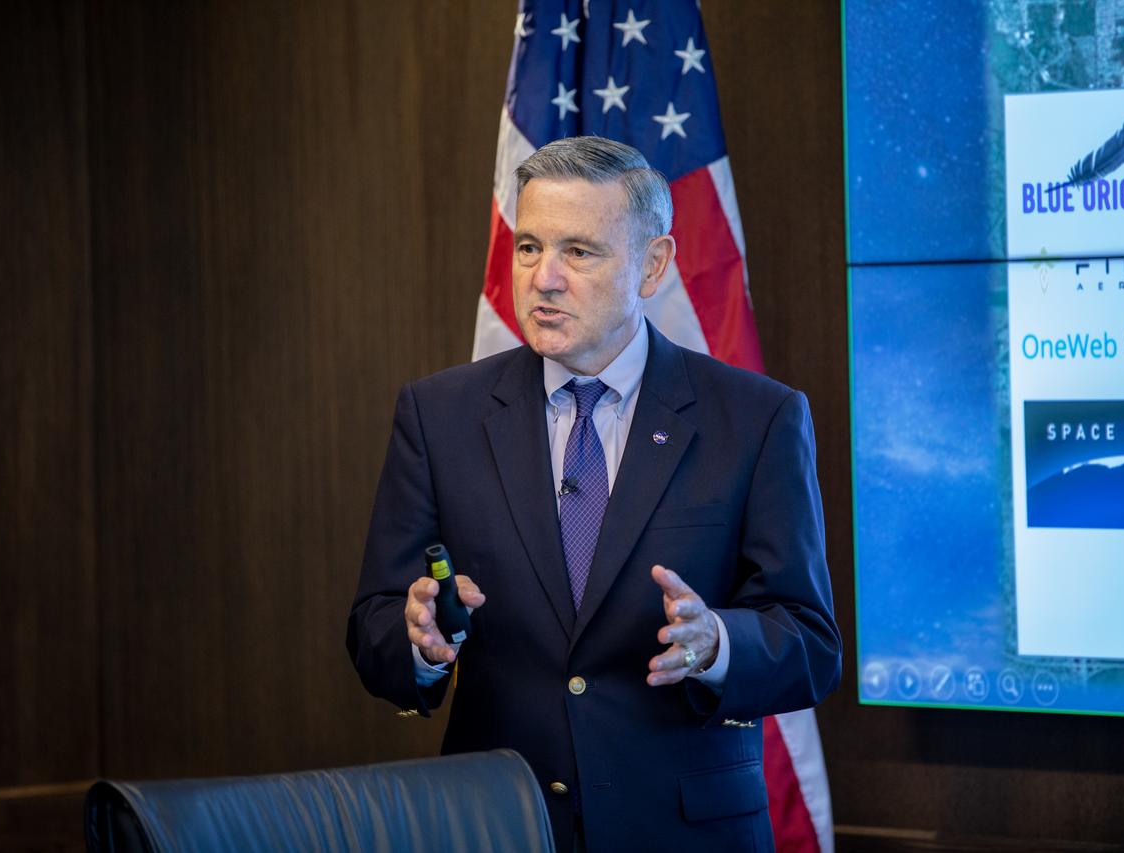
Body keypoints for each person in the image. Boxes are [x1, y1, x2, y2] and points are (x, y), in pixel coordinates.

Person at [347, 135, 840, 852]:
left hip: (684, 832)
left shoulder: (756, 419)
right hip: (501, 826)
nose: (543, 278)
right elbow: (374, 623)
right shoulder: (438, 414)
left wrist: (719, 641)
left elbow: (810, 641)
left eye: (578, 252)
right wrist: (418, 640)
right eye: (528, 247)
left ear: (654, 264)